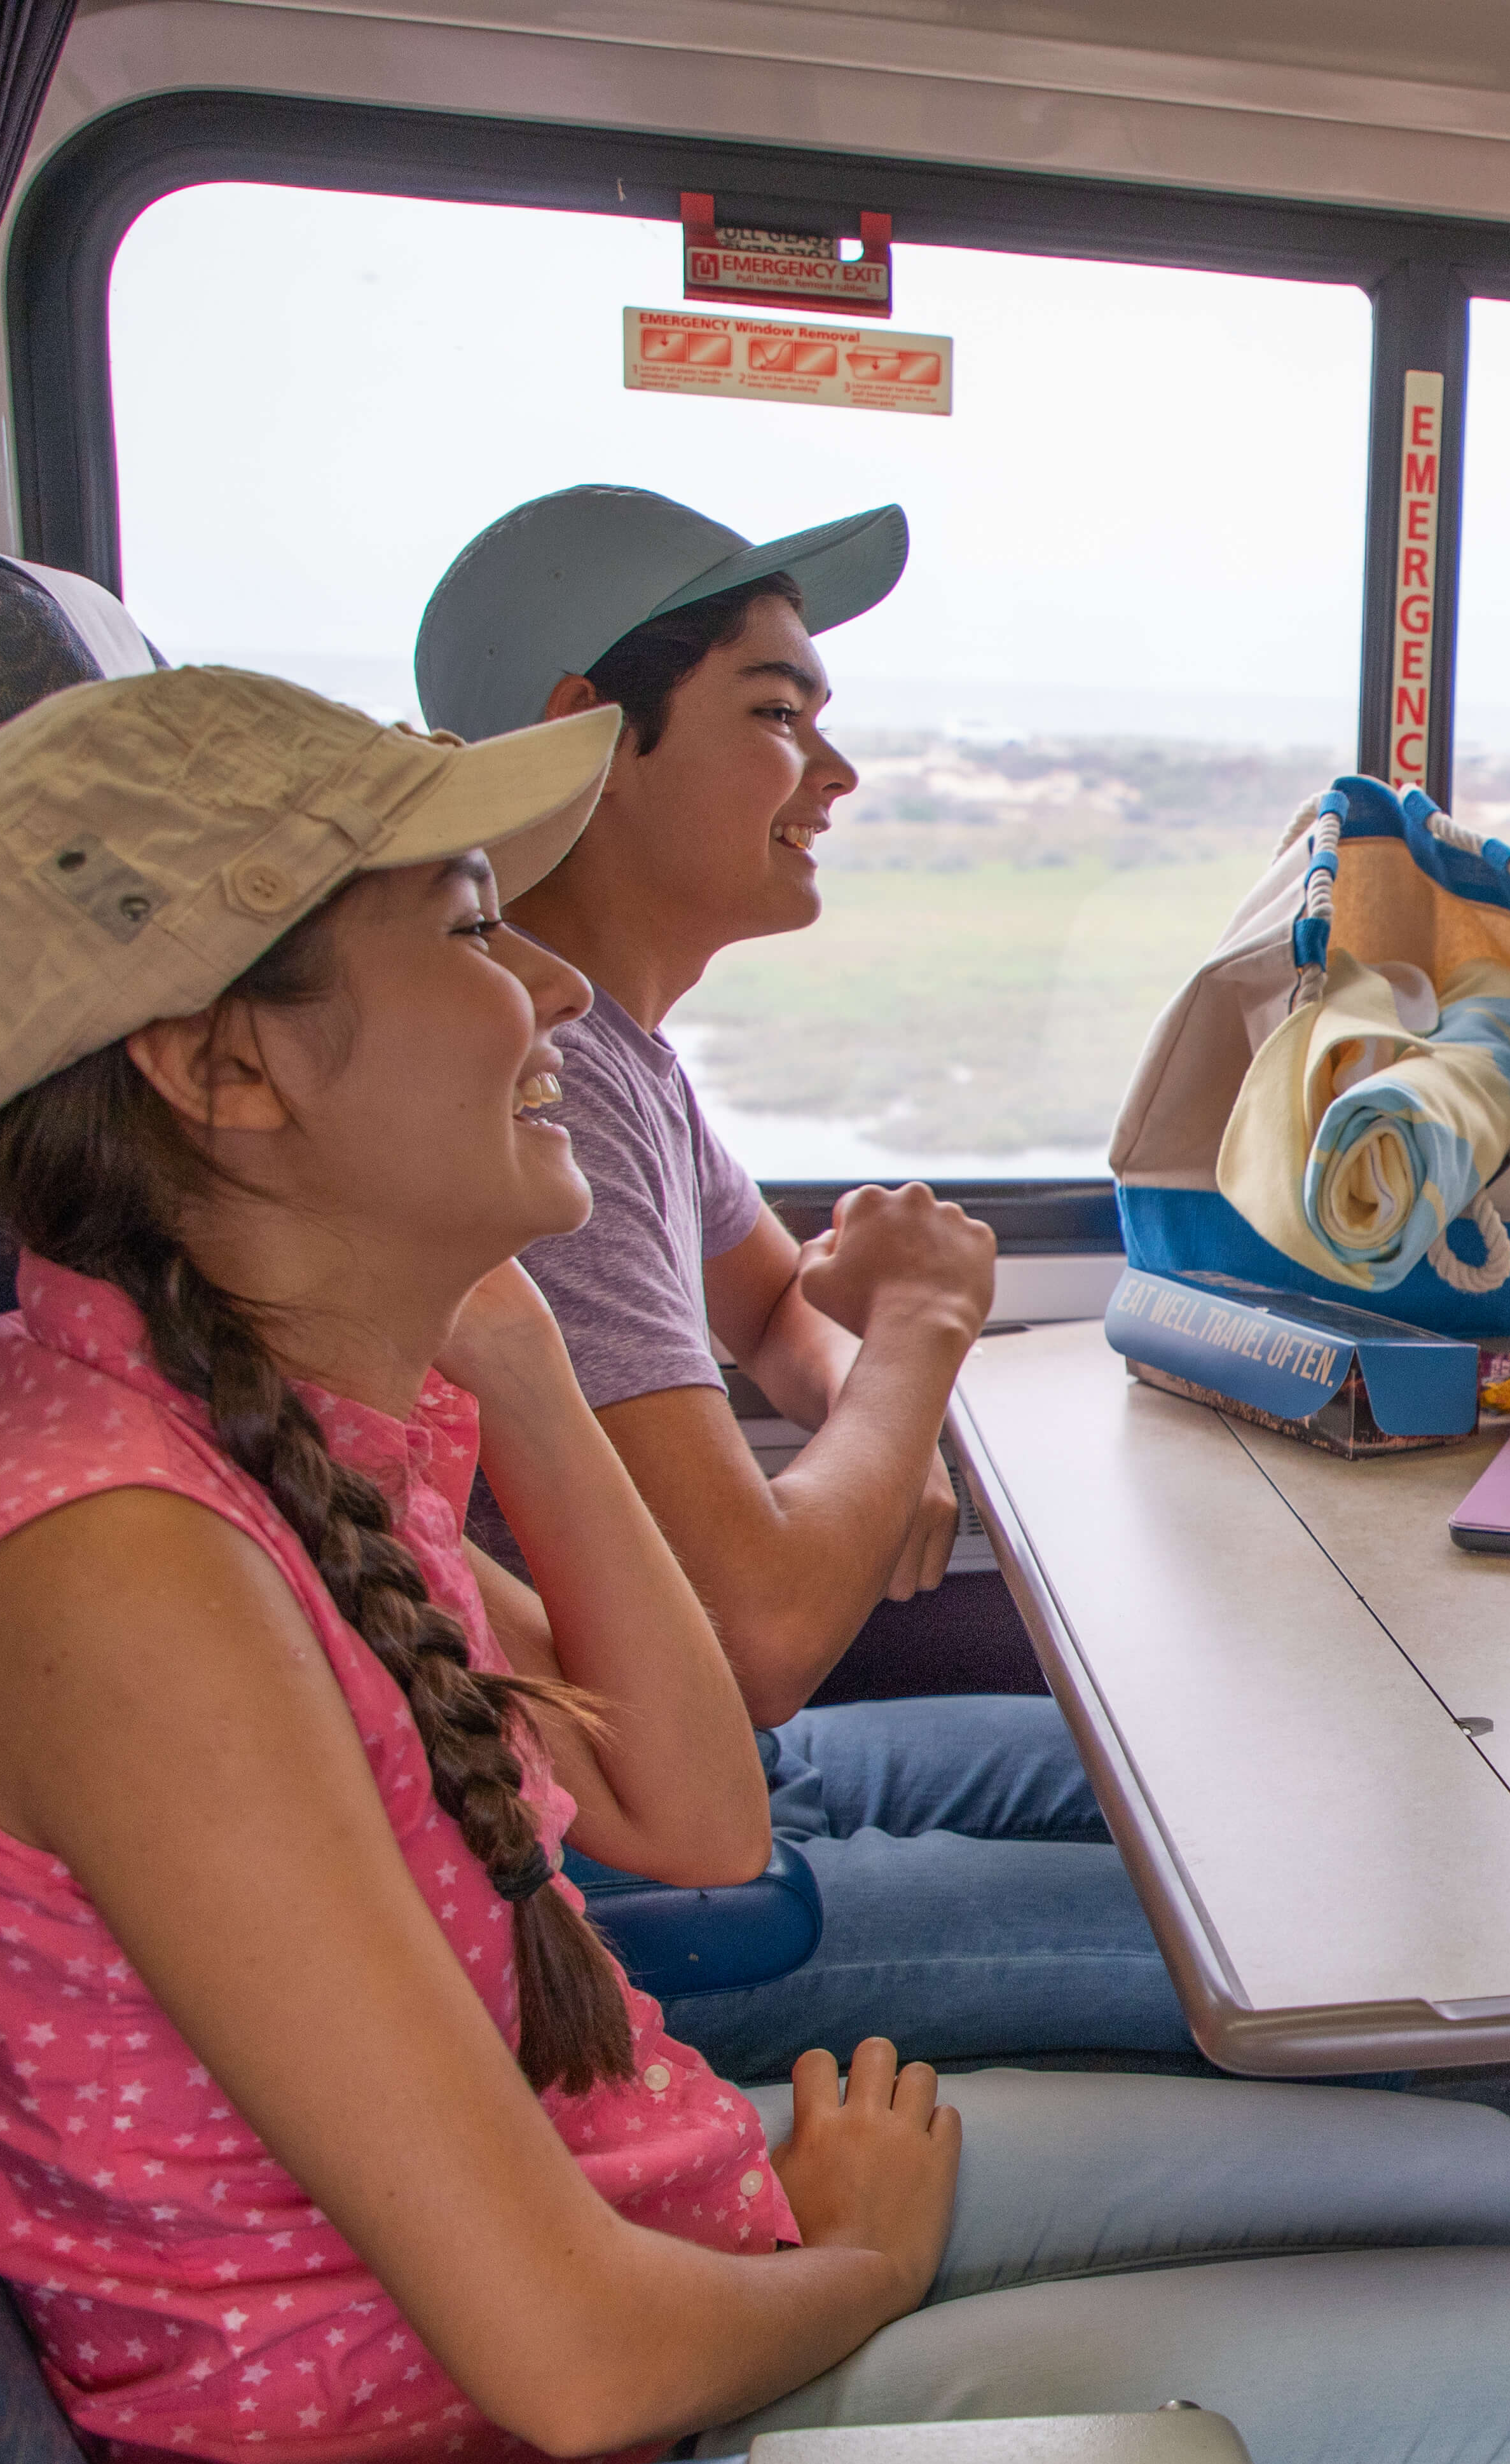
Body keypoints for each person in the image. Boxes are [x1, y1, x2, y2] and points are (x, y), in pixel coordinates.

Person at [0, 667, 1510, 2464]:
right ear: (217, 1064)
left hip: (635, 2217)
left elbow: (699, 1818)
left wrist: (514, 1349)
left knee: (1489, 2189)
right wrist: (857, 2268)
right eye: (463, 924)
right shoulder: (124, 1581)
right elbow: (572, 2359)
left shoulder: (249, 1429)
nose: (543, 982)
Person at [413, 488, 1183, 2079]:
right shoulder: (550, 1084)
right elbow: (758, 1630)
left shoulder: (623, 1060)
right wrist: (921, 1334)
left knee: (1206, 1797)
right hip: (625, 1873)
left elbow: (776, 1313)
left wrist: (867, 1433)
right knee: (1278, 1931)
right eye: (776, 716)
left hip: (707, 1766)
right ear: (581, 737)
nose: (834, 774)